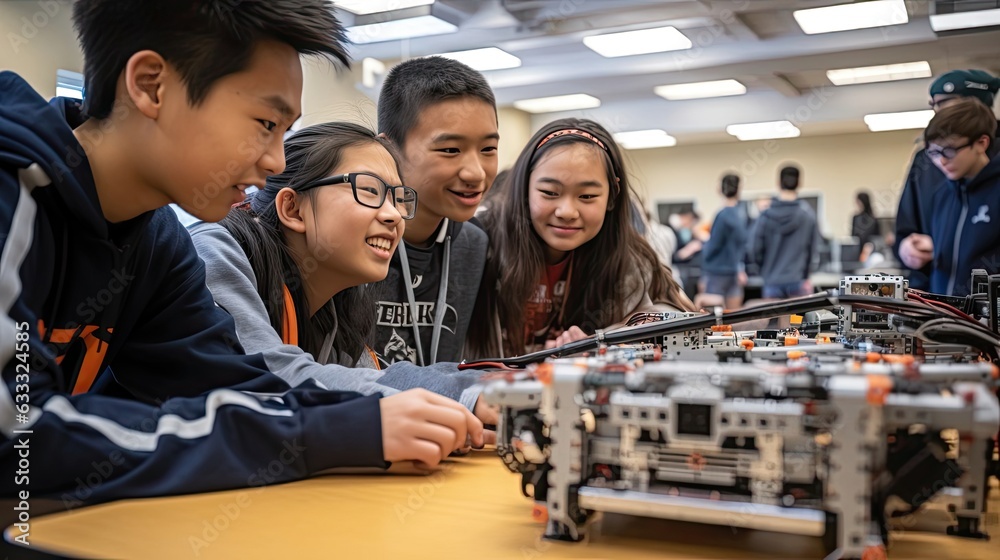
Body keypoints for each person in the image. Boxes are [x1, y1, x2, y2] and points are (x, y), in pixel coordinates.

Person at [0, 0, 481, 507]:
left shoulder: (157, 241)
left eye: (284, 132)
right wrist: (321, 434)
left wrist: (383, 418)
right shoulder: (14, 193)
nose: (275, 160)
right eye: (263, 123)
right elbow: (16, 435)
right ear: (150, 85)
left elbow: (238, 390)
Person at [190, 122, 495, 422]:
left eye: (397, 198)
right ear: (294, 209)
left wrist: (494, 385)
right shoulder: (214, 251)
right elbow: (269, 378)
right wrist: (462, 398)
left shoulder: (337, 307)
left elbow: (367, 378)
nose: (394, 215)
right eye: (369, 190)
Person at [466, 118, 694, 358]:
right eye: (549, 193)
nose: (566, 212)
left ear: (612, 196)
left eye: (586, 196)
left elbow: (679, 323)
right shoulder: (479, 242)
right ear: (524, 187)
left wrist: (602, 344)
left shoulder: (630, 258)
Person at [373, 57, 499, 366]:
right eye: (450, 150)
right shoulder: (356, 238)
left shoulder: (472, 243)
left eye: (488, 149)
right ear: (390, 151)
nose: (476, 173)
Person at [895, 69, 1000, 288]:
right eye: (934, 106)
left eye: (946, 104)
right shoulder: (934, 176)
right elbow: (906, 227)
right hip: (937, 301)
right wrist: (908, 247)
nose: (942, 161)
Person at [921, 99, 1000, 295]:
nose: (941, 160)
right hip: (943, 318)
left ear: (981, 143)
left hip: (988, 323)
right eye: (934, 152)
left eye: (949, 150)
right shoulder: (942, 195)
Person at [749, 165, 818, 298]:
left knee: (775, 318)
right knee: (796, 319)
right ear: (799, 183)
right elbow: (813, 250)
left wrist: (764, 271)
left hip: (772, 281)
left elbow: (754, 248)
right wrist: (806, 274)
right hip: (797, 280)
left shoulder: (765, 216)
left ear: (778, 183)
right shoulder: (807, 215)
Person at [700, 173, 748, 309]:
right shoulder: (741, 214)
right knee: (733, 315)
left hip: (717, 273)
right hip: (733, 272)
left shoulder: (722, 215)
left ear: (720, 189)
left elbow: (714, 245)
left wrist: (704, 243)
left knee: (713, 318)